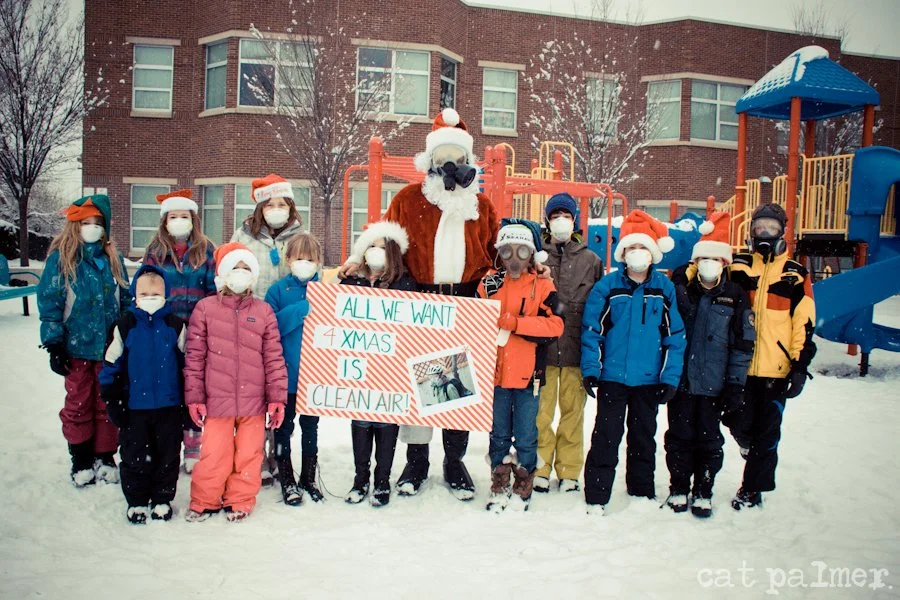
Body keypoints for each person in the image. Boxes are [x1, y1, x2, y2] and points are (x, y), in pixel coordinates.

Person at [338, 108, 500, 500]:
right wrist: (358, 260)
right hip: (419, 300)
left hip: (466, 301)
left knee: (458, 385)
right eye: (443, 156)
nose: (451, 164)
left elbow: (498, 252)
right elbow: (382, 240)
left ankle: (454, 460)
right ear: (430, 159)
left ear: (468, 159)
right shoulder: (409, 199)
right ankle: (416, 461)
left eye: (458, 157)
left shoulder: (482, 206)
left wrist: (514, 275)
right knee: (420, 383)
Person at [580, 209, 686, 515]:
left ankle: (641, 492)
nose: (637, 253)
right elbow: (592, 331)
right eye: (632, 248)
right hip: (613, 378)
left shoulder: (664, 288)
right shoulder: (608, 287)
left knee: (643, 439)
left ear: (652, 253)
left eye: (643, 247)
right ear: (623, 253)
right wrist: (591, 369)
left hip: (648, 380)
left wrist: (670, 377)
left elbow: (675, 336)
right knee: (606, 437)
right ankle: (597, 494)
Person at [183, 242, 288, 522]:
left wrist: (277, 398)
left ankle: (240, 499)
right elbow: (194, 357)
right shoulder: (205, 309)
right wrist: (194, 397)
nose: (240, 273)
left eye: (246, 268)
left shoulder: (264, 311)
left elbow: (274, 357)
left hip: (254, 401)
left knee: (249, 455)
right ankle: (205, 499)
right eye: (235, 268)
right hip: (217, 399)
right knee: (214, 453)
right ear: (223, 273)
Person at [664, 213, 755, 518]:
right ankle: (678, 486)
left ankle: (704, 489)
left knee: (709, 440)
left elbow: (743, 344)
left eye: (715, 259)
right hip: (682, 381)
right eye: (704, 259)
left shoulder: (734, 296)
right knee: (678, 437)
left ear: (724, 263)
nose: (709, 264)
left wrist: (735, 384)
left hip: (714, 384)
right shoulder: (682, 290)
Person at [37, 194, 131, 487]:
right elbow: (50, 302)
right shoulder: (62, 259)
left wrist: (126, 333)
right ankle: (80, 456)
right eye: (85, 222)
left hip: (108, 349)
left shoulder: (112, 260)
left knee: (107, 401)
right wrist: (54, 343)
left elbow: (126, 298)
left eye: (97, 223)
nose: (92, 228)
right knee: (78, 402)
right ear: (75, 225)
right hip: (75, 347)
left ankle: (104, 454)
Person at [727, 203, 816, 511]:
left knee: (767, 434)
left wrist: (799, 365)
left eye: (771, 228)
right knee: (736, 422)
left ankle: (752, 490)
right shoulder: (738, 266)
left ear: (782, 232)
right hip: (740, 365)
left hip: (775, 369)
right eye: (759, 228)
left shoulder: (795, 274)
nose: (765, 233)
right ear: (751, 232)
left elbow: (803, 323)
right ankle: (746, 443)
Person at [478, 220, 564, 512]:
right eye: (507, 251)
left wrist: (517, 324)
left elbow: (556, 324)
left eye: (522, 251)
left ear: (532, 254)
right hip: (495, 374)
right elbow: (473, 316)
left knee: (527, 434)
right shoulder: (489, 282)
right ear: (499, 253)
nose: (514, 259)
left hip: (529, 376)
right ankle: (499, 480)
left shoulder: (543, 285)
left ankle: (524, 480)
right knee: (499, 432)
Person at [231, 173, 304, 487]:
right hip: (251, 322)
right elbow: (230, 270)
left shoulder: (299, 236)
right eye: (270, 204)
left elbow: (310, 268)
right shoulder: (243, 235)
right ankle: (254, 452)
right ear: (261, 207)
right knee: (253, 392)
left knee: (279, 391)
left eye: (282, 204)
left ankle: (278, 450)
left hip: (286, 326)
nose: (276, 210)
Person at [99, 265, 186, 524]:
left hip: (169, 406)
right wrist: (113, 399)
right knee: (135, 455)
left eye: (155, 293)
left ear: (165, 295)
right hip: (134, 407)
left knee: (168, 454)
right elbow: (110, 365)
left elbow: (188, 364)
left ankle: (162, 498)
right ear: (135, 295)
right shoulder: (124, 326)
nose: (150, 298)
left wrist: (187, 399)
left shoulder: (175, 325)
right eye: (144, 293)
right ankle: (137, 500)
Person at [340, 221, 416, 506]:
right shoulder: (352, 281)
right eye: (371, 246)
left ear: (393, 252)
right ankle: (361, 479)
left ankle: (382, 480)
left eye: (382, 247)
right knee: (361, 421)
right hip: (360, 367)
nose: (375, 252)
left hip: (390, 369)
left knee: (386, 423)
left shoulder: (405, 283)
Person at [143, 188, 217, 475]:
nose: (178, 221)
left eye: (184, 216)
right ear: (164, 221)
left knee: (195, 387)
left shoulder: (206, 250)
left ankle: (194, 444)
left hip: (198, 330)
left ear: (193, 219)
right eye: (173, 216)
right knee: (170, 385)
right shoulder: (155, 252)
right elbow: (146, 288)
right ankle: (169, 443)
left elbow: (212, 290)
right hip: (165, 330)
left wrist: (207, 322)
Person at [534, 192, 602, 494]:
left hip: (576, 349)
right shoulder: (537, 256)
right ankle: (539, 467)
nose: (561, 220)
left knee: (573, 415)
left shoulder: (591, 260)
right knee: (541, 414)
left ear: (575, 220)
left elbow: (598, 307)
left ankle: (569, 471)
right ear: (547, 221)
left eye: (566, 215)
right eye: (555, 216)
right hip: (544, 350)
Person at [264, 232, 326, 506]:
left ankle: (309, 478)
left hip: (314, 376)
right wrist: (301, 309)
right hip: (285, 375)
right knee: (283, 428)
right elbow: (270, 327)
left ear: (318, 262)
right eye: (300, 258)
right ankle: (287, 478)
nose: (305, 264)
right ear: (288, 259)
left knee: (310, 427)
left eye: (310, 259)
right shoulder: (277, 291)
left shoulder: (326, 291)